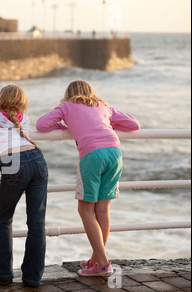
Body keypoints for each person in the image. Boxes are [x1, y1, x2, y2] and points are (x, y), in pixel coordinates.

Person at [36, 80, 140, 276]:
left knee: (85, 210)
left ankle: (102, 262)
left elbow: (41, 125)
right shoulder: (102, 106)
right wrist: (109, 122)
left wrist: (65, 124)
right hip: (115, 153)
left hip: (92, 155)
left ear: (68, 93)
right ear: (91, 92)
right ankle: (95, 260)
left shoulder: (66, 106)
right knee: (103, 209)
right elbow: (134, 124)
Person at [0, 85, 48, 287]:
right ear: (23, 103)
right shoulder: (26, 120)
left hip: (13, 164)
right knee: (37, 223)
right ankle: (33, 278)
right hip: (38, 160)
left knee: (3, 219)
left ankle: (3, 274)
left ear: (0, 100)